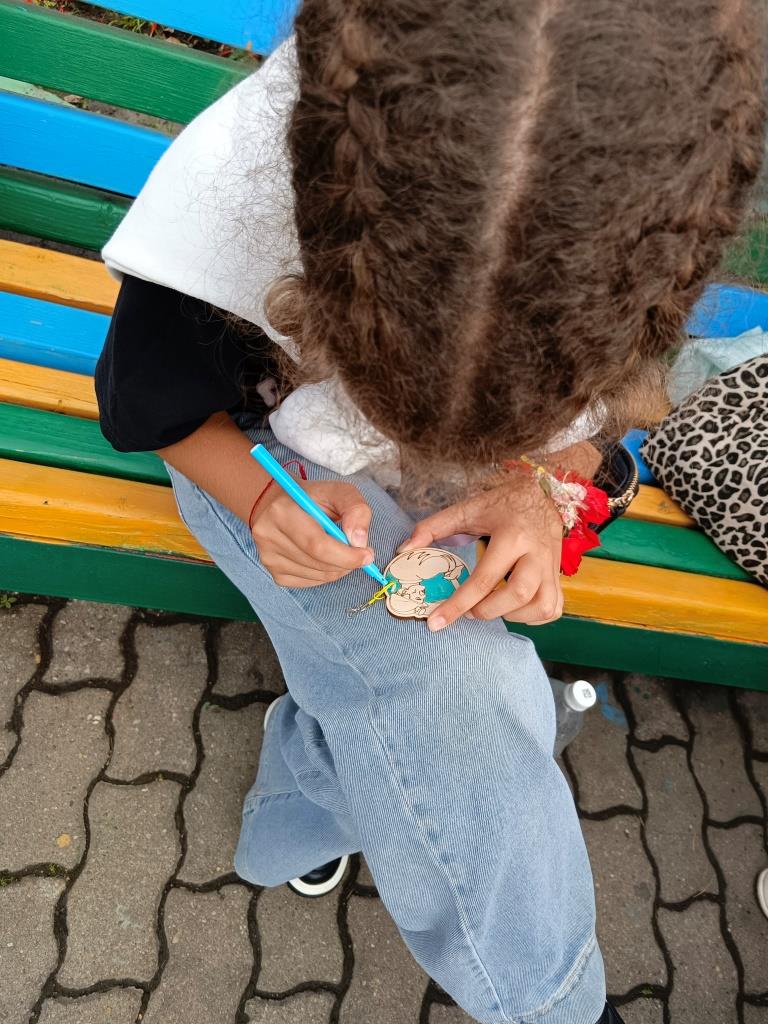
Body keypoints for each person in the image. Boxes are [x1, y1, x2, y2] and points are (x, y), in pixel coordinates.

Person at [95, 1, 765, 1021]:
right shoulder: (226, 209)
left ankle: (300, 809)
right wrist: (266, 496)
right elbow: (150, 406)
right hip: (261, 459)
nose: (425, 467)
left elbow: (607, 424)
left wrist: (538, 487)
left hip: (419, 476)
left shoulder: (650, 199)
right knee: (469, 692)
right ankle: (553, 1004)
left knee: (399, 695)